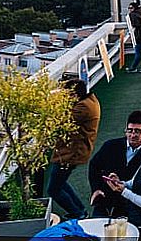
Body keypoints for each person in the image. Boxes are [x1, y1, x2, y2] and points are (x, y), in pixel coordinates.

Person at [47, 78, 101, 220]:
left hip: (71, 154)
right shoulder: (90, 101)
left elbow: (60, 120)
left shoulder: (83, 108)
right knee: (60, 183)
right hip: (73, 151)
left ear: (74, 95)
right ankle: (80, 211)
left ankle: (78, 214)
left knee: (53, 189)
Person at [89, 110, 141, 217]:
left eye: (138, 131)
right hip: (105, 199)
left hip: (131, 204)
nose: (132, 135)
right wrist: (96, 189)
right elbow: (94, 166)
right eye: (129, 130)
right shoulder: (110, 146)